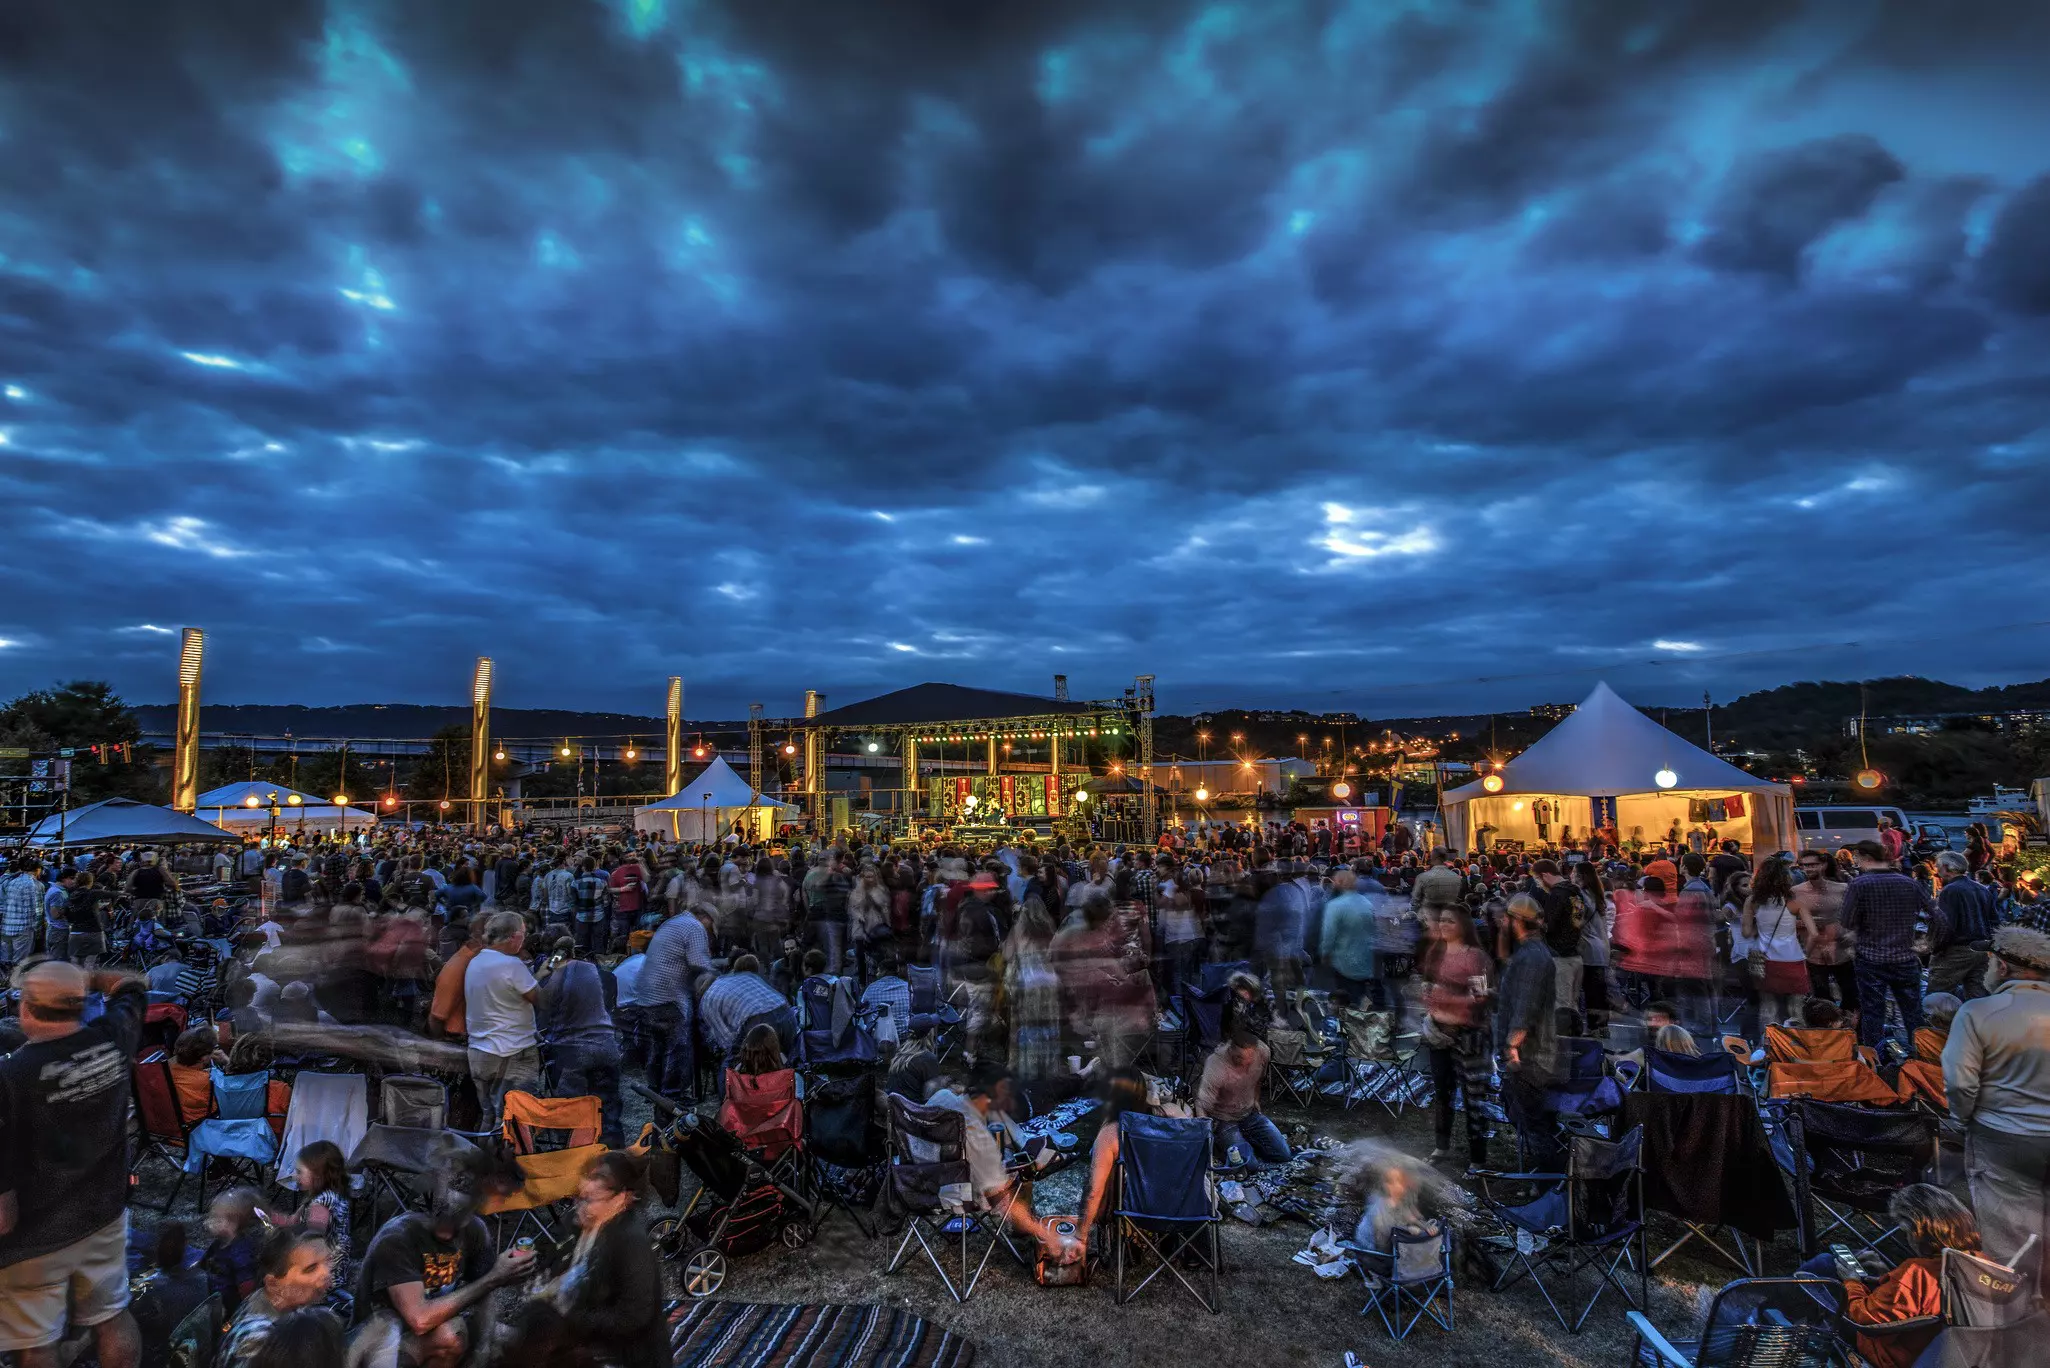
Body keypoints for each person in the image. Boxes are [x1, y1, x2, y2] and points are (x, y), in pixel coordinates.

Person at [0, 958, 148, 1368]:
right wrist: (90, 979)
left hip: (34, 1239)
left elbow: (2, 1213)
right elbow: (133, 986)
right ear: (81, 1006)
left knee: (38, 1343)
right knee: (112, 1317)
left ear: (25, 1008)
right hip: (103, 1214)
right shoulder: (113, 1038)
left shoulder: (11, 1078)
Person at [351, 1157, 535, 1368]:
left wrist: (481, 1353)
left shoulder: (474, 1231)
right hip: (378, 1341)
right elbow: (419, 1320)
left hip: (424, 1332)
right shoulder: (398, 1239)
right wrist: (495, 1278)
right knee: (437, 1336)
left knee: (456, 1336)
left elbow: (486, 1299)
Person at [1941, 925, 2050, 1262]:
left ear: (2002, 966)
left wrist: (1961, 1118)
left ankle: (2016, 1305)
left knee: (2009, 1237)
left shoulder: (1978, 1011)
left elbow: (1960, 1082)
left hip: (2002, 1134)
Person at [1797, 1185, 1980, 1368]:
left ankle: (1777, 1317)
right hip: (1939, 1353)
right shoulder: (1981, 1265)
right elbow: (1917, 1298)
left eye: (1906, 1232)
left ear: (1918, 1232)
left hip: (1888, 1356)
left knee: (1824, 1265)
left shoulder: (1917, 1272)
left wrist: (1851, 1281)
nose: (1907, 1239)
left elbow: (1864, 1319)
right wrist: (1888, 1276)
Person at [925, 1066, 1075, 1264]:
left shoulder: (942, 1096)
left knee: (1015, 1156)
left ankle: (1030, 1149)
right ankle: (1020, 1229)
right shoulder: (976, 1135)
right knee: (1024, 1170)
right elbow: (996, 1193)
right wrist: (1031, 1168)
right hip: (950, 1194)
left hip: (918, 1180)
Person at [534, 1151, 667, 1368]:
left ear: (621, 1199)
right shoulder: (575, 1222)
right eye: (578, 1196)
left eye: (590, 1199)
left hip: (624, 1353)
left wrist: (570, 1315)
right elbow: (553, 1265)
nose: (579, 1206)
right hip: (580, 1337)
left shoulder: (631, 1243)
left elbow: (633, 1317)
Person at [1840, 841, 1934, 1051]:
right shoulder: (1909, 883)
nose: (1856, 863)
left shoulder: (1859, 884)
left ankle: (1875, 1057)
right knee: (1912, 1012)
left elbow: (1846, 921)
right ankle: (1921, 1055)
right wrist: (1925, 944)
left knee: (1873, 1011)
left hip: (1871, 958)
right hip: (1905, 958)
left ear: (1865, 858)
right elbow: (1936, 915)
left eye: (1857, 858)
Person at [1419, 905, 1491, 1167]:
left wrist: (1445, 998)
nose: (1444, 925)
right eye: (1441, 920)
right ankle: (1442, 1147)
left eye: (1450, 921)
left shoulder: (1476, 957)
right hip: (1438, 1034)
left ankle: (1478, 1158)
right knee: (1442, 1093)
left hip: (1469, 1036)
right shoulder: (1435, 953)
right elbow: (1426, 991)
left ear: (1463, 925)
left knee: (1474, 1098)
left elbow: (1480, 998)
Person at [536, 939, 623, 1147]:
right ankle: (613, 1156)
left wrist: (544, 972)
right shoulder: (595, 970)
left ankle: (573, 1155)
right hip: (606, 1044)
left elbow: (543, 1003)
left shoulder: (557, 969)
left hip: (572, 1051)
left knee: (571, 1111)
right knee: (608, 1108)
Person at [1494, 894, 1560, 1167]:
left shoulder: (1531, 957)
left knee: (1535, 1123)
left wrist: (1512, 1048)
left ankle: (1549, 1186)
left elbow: (1526, 1007)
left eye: (1506, 919)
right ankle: (1550, 1177)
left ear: (1516, 921)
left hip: (1530, 1057)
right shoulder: (1529, 952)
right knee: (1528, 1116)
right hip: (1531, 1054)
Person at [461, 912, 543, 1130]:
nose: (524, 939)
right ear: (514, 936)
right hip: (512, 1051)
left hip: (479, 1051)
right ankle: (516, 1161)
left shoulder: (475, 962)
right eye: (523, 934)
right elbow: (539, 999)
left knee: (489, 1118)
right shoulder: (512, 965)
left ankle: (485, 1160)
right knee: (516, 1121)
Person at [214, 1229, 337, 1367]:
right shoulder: (260, 1341)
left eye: (328, 1261)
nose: (326, 1273)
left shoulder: (285, 1307)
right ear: (273, 1284)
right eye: (310, 1269)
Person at [1072, 1068, 1155, 1256]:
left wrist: (1080, 1236)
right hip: (1167, 1210)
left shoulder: (1111, 1133)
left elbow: (1095, 1191)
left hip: (1131, 1215)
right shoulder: (1161, 1123)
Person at [261, 1142, 351, 1291]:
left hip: (323, 1273)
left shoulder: (321, 1204)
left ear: (318, 1175)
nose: (296, 1177)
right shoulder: (332, 1196)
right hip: (334, 1266)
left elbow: (314, 1235)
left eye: (299, 1172)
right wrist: (270, 1216)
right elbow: (291, 1221)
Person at [1197, 1029, 1291, 1168]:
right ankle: (1222, 1145)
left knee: (1284, 1155)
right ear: (1231, 1049)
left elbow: (1260, 1078)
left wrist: (1256, 1100)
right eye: (1239, 1058)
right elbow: (1202, 1104)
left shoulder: (1262, 1051)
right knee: (1249, 1165)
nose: (1244, 1064)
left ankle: (1247, 1141)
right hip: (1224, 1119)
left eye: (1248, 1060)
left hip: (1249, 1114)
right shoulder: (1216, 1064)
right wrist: (1206, 1134)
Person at [1743, 858, 1811, 1031]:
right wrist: (1807, 952)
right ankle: (1797, 1046)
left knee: (1768, 1006)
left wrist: (1761, 929)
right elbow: (1813, 932)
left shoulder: (1752, 901)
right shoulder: (1794, 901)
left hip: (1766, 959)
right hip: (1793, 958)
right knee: (1796, 1008)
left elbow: (1746, 933)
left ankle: (1767, 1045)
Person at [130, 1222, 210, 1368]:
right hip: (199, 1346)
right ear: (185, 1245)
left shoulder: (150, 1288)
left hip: (170, 1350)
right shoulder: (202, 1278)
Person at [1928, 852, 1998, 999]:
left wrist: (1935, 948)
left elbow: (1945, 925)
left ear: (1946, 867)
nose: (1936, 870)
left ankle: (1941, 1022)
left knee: (1937, 997)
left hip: (1957, 950)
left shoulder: (1951, 890)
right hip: (1982, 949)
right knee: (1978, 995)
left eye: (1938, 866)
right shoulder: (1981, 889)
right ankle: (1979, 1021)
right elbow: (1994, 920)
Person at [1318, 869, 1378, 1005]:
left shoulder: (1335, 906)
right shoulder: (1366, 903)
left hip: (1343, 960)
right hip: (1364, 958)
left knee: (1345, 997)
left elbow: (1329, 934)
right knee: (1359, 995)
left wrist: (1325, 953)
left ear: (1339, 883)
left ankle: (1348, 1020)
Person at [169, 1025, 226, 1126]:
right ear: (203, 1058)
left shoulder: (166, 1073)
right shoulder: (209, 1080)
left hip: (174, 1132)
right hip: (199, 1131)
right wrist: (227, 1061)